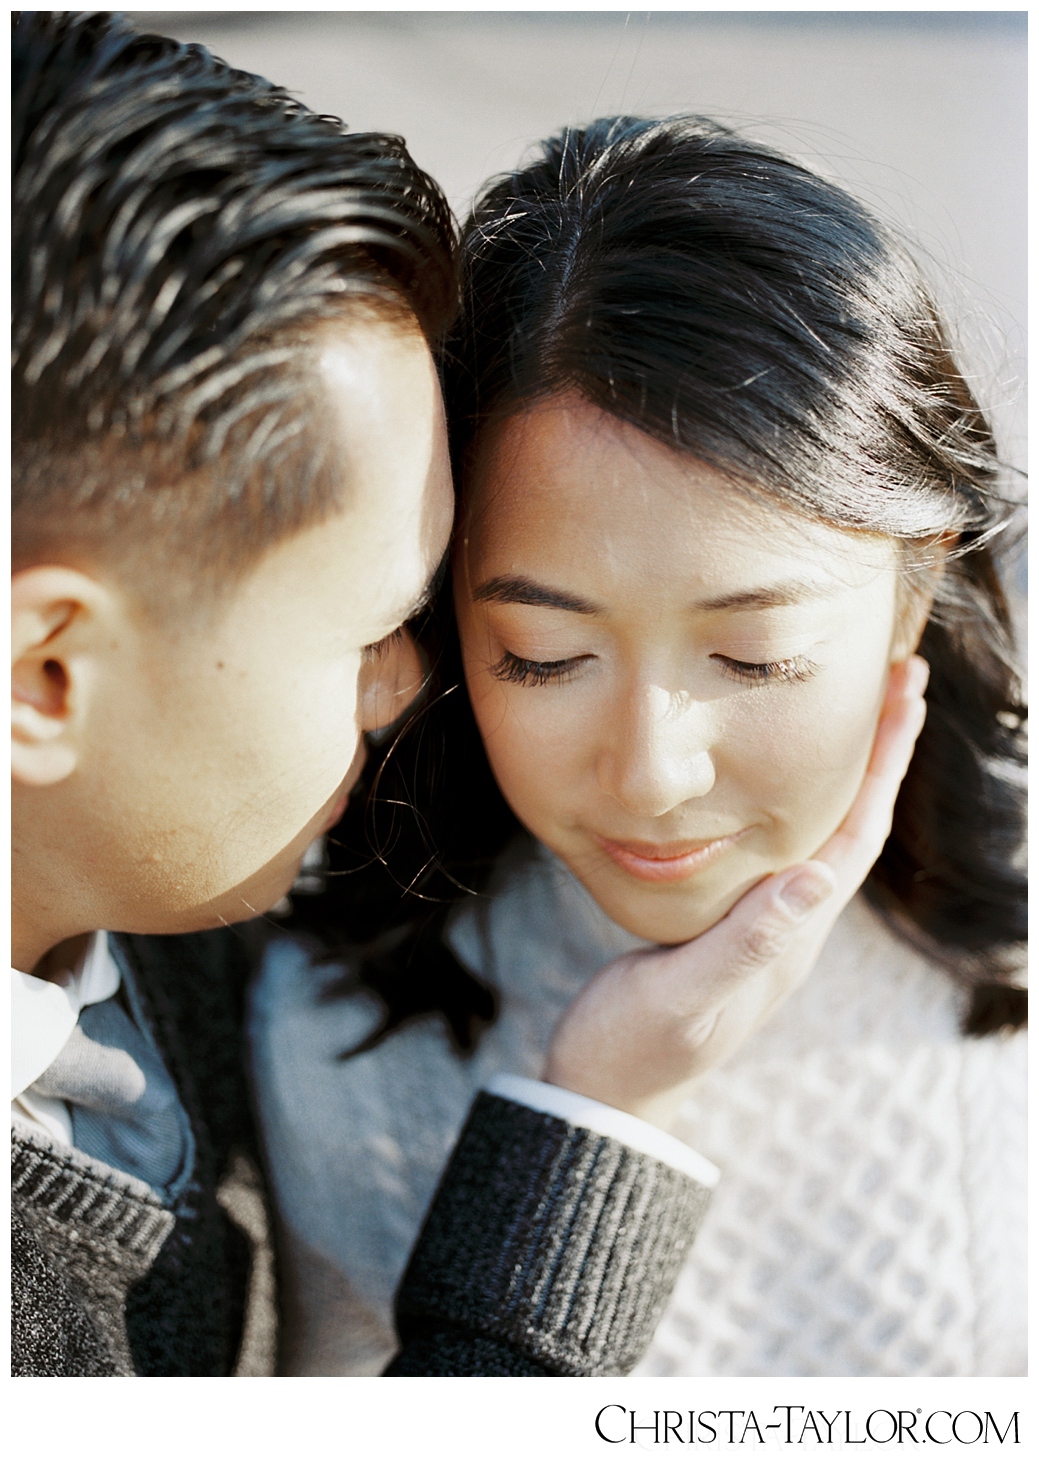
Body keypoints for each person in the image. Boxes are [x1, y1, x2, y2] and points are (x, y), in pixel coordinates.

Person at [254, 116, 1027, 1376]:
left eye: (753, 655)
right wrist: (593, 1104)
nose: (651, 773)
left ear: (911, 589)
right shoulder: (315, 1027)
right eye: (543, 658)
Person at [12, 17, 717, 1378]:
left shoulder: (142, 872)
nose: (406, 690)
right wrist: (588, 1128)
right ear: (47, 671)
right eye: (376, 626)